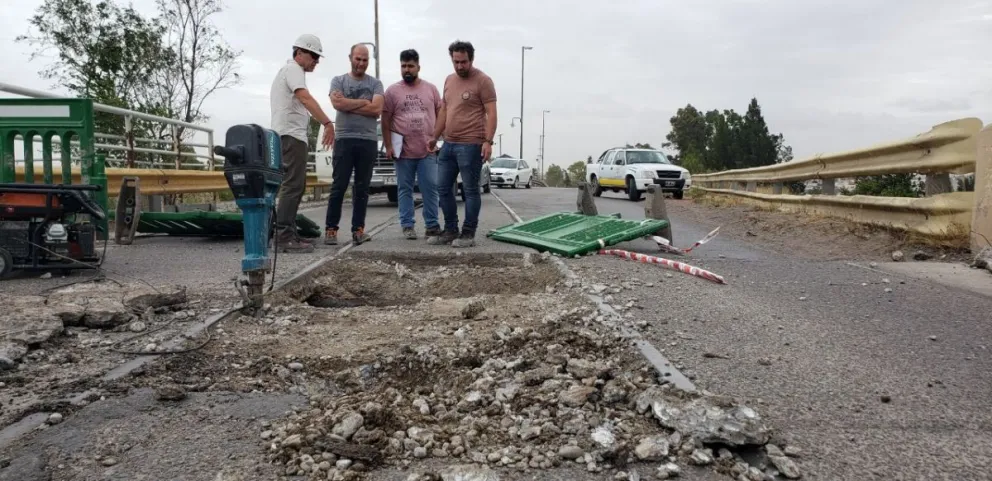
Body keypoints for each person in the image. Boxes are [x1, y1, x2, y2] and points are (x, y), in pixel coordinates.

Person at [428, 40, 498, 248]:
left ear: (471, 59)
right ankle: (450, 230)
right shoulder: (449, 80)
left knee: (470, 190)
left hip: (471, 144)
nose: (460, 66)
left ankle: (468, 233)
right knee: (442, 188)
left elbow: (492, 113)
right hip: (448, 144)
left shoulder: (483, 81)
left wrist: (488, 141)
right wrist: (435, 135)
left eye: (464, 62)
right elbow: (444, 110)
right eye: (456, 62)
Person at [270, 33, 335, 254]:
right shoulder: (293, 70)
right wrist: (327, 122)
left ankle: (287, 232)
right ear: (299, 53)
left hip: (290, 135)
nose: (316, 61)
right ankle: (283, 236)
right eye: (314, 56)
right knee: (293, 185)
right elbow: (306, 99)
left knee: (295, 185)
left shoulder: (290, 71)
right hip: (290, 135)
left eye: (318, 57)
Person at [325, 44, 384, 245]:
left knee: (362, 188)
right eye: (358, 59)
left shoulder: (376, 83)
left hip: (367, 141)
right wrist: (364, 103)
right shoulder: (338, 80)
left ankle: (358, 230)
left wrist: (349, 104)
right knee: (339, 186)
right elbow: (337, 104)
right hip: (344, 139)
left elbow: (377, 109)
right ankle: (331, 229)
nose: (361, 63)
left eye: (365, 60)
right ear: (350, 57)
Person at [382, 49, 443, 240]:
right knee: (404, 189)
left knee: (430, 188)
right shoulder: (392, 91)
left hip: (427, 150)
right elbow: (385, 119)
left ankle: (432, 225)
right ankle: (407, 225)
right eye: (403, 66)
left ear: (418, 67)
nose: (406, 69)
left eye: (410, 66)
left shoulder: (431, 89)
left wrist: (439, 138)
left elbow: (442, 115)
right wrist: (388, 146)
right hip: (403, 152)